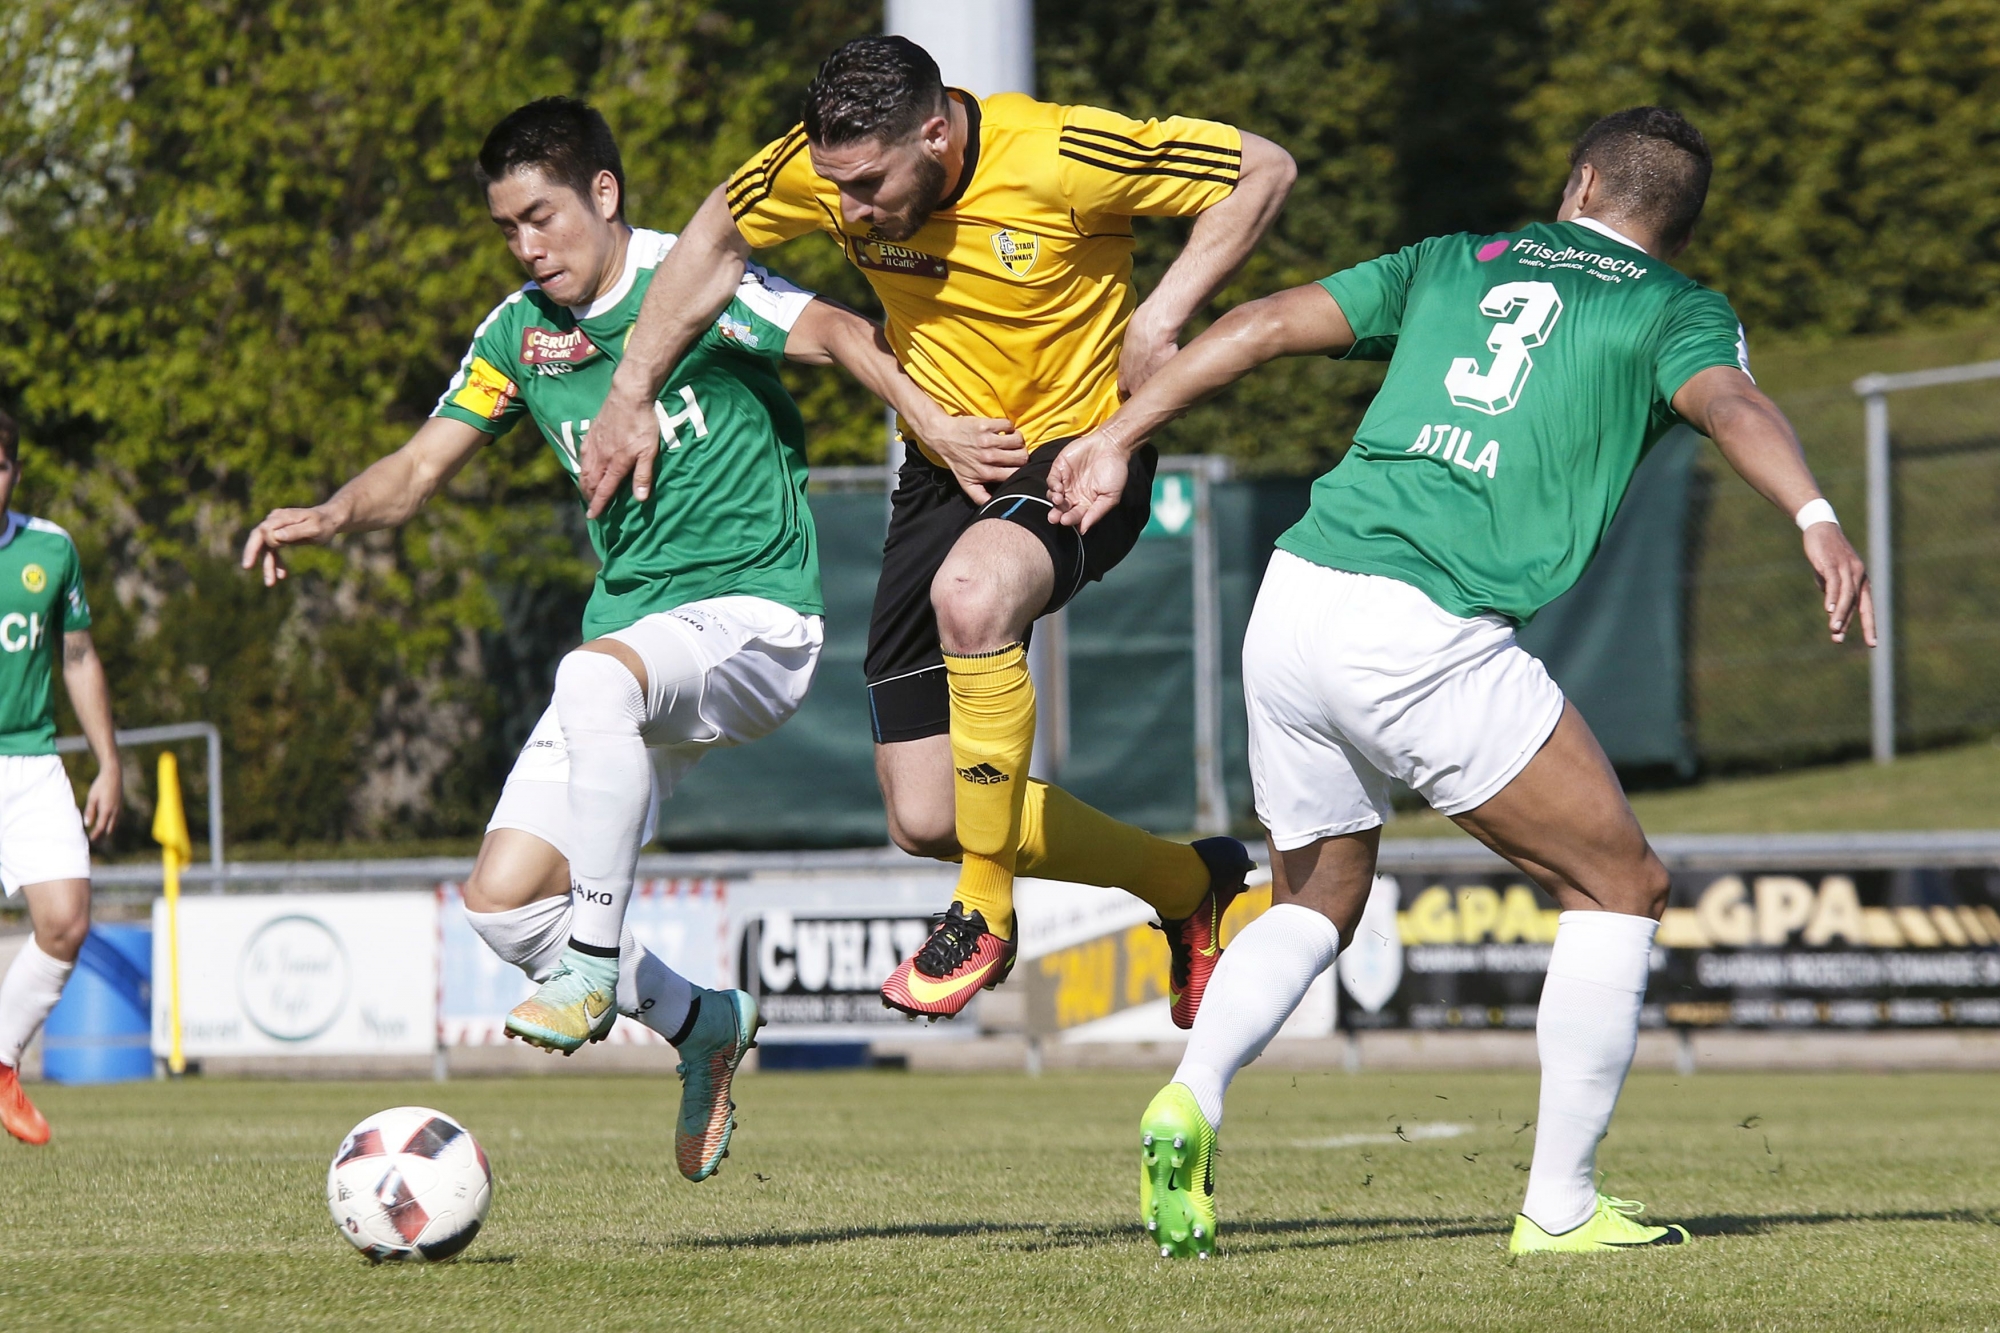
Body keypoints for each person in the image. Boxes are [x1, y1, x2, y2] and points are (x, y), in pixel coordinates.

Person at [1047, 107, 1874, 1257]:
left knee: (1313, 902)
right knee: (1618, 884)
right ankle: (1559, 1206)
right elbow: (1730, 404)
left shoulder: (1451, 258)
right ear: (1677, 226)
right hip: (1420, 629)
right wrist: (1815, 515)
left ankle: (1191, 1093)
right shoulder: (1677, 310)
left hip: (1294, 595)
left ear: (1578, 182)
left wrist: (1123, 431)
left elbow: (1264, 321)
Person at [243, 98, 943, 1181]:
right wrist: (332, 513)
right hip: (628, 660)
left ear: (603, 195)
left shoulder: (691, 277)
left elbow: (840, 332)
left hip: (757, 619)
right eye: (507, 229)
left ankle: (593, 963)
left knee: (591, 685)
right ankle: (702, 1020)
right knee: (500, 903)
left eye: (541, 217)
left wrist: (927, 417)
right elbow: (419, 468)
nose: (527, 247)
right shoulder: (515, 333)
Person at [580, 35, 1296, 1022]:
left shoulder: (1058, 154)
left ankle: (984, 911)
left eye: (870, 184)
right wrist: (630, 390)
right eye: (836, 188)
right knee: (928, 813)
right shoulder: (827, 169)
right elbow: (713, 234)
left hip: (1079, 457)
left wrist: (1159, 313)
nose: (853, 210)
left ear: (933, 130)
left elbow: (1261, 168)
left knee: (971, 593)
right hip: (943, 470)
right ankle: (1190, 885)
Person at [0, 409, 122, 1145]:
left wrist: (107, 760)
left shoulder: (50, 548)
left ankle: (1, 1063)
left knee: (66, 919)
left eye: (1, 463)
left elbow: (76, 656)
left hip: (32, 760)